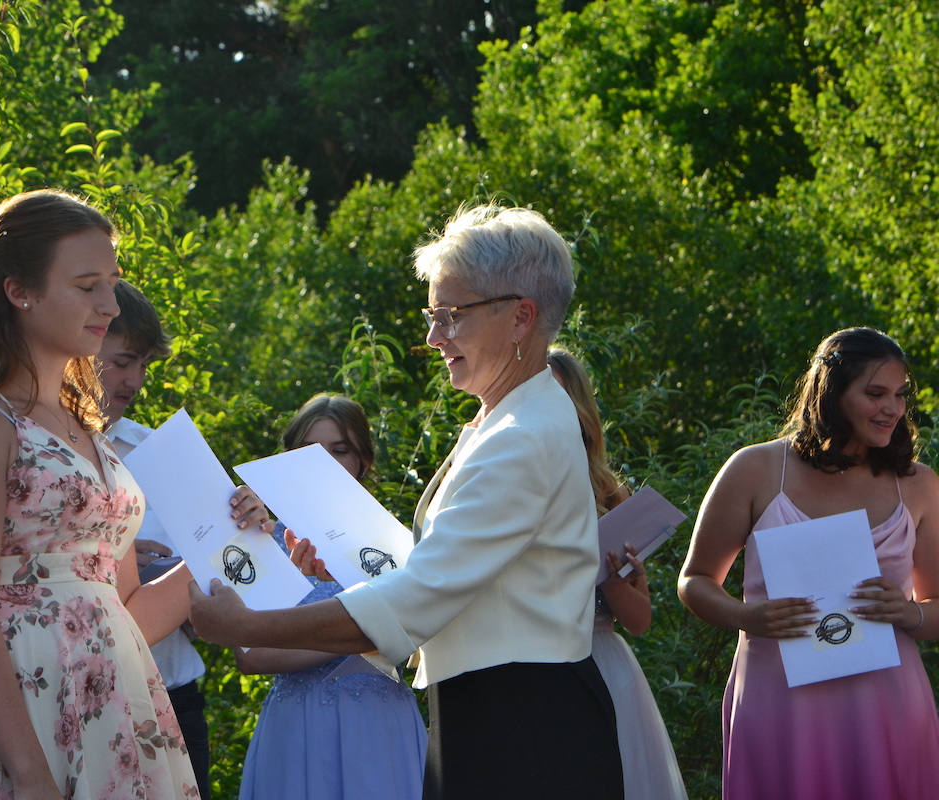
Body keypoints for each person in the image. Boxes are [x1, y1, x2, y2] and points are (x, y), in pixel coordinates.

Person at [188, 203, 623, 799]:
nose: (432, 337)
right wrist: (342, 568)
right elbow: (454, 575)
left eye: (451, 316)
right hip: (504, 711)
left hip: (521, 725)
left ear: (520, 317)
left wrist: (247, 624)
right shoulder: (511, 419)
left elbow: (416, 602)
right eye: (432, 315)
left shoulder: (522, 438)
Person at [0, 190, 268, 800]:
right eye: (87, 285)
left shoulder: (88, 430)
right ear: (19, 291)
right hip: (14, 720)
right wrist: (29, 772)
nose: (110, 304)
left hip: (109, 705)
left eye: (112, 283)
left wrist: (229, 539)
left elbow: (125, 608)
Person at [678, 327, 939, 800]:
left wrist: (909, 613)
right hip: (780, 704)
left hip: (885, 707)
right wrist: (745, 616)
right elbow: (694, 580)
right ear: (832, 392)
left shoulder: (920, 484)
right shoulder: (754, 470)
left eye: (900, 395)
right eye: (875, 393)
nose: (893, 408)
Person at [235, 394, 427, 800]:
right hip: (296, 731)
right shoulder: (265, 541)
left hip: (378, 730)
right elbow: (251, 656)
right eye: (308, 451)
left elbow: (415, 636)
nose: (322, 463)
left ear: (363, 462)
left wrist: (324, 635)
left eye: (338, 451)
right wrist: (365, 630)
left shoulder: (393, 544)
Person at [548, 347, 688, 800]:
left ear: (580, 410)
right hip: (534, 665)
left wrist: (613, 578)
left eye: (557, 397)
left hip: (602, 664)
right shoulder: (506, 485)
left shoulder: (610, 495)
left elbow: (640, 621)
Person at [99, 279, 215, 799]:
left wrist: (244, 530)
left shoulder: (162, 454)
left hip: (174, 693)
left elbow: (228, 586)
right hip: (83, 696)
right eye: (123, 361)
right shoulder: (22, 446)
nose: (135, 381)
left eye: (144, 365)